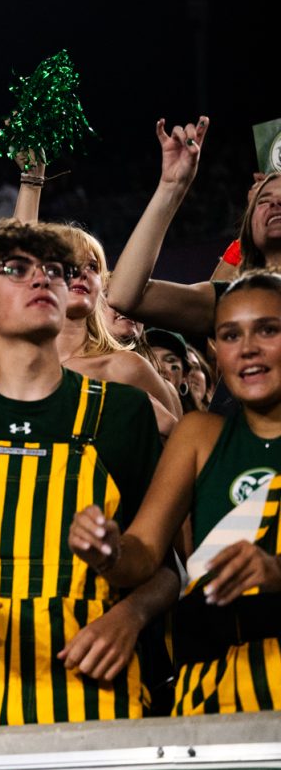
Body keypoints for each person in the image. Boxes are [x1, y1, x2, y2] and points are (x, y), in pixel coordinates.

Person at [0, 221, 168, 730]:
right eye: (17, 270)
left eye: (55, 271)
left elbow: (167, 569)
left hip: (90, 673)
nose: (41, 280)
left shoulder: (123, 411)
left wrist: (129, 614)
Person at [70, 271, 281, 715]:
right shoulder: (198, 435)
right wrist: (109, 551)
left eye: (268, 329)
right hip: (211, 693)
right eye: (229, 334)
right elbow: (143, 553)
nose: (247, 349)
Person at [0, 226, 182, 435]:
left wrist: (168, 428)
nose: (83, 273)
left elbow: (178, 451)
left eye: (92, 266)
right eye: (68, 263)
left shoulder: (127, 367)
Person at [107, 118, 280, 334]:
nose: (274, 203)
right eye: (262, 200)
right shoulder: (234, 300)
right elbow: (123, 296)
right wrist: (171, 187)